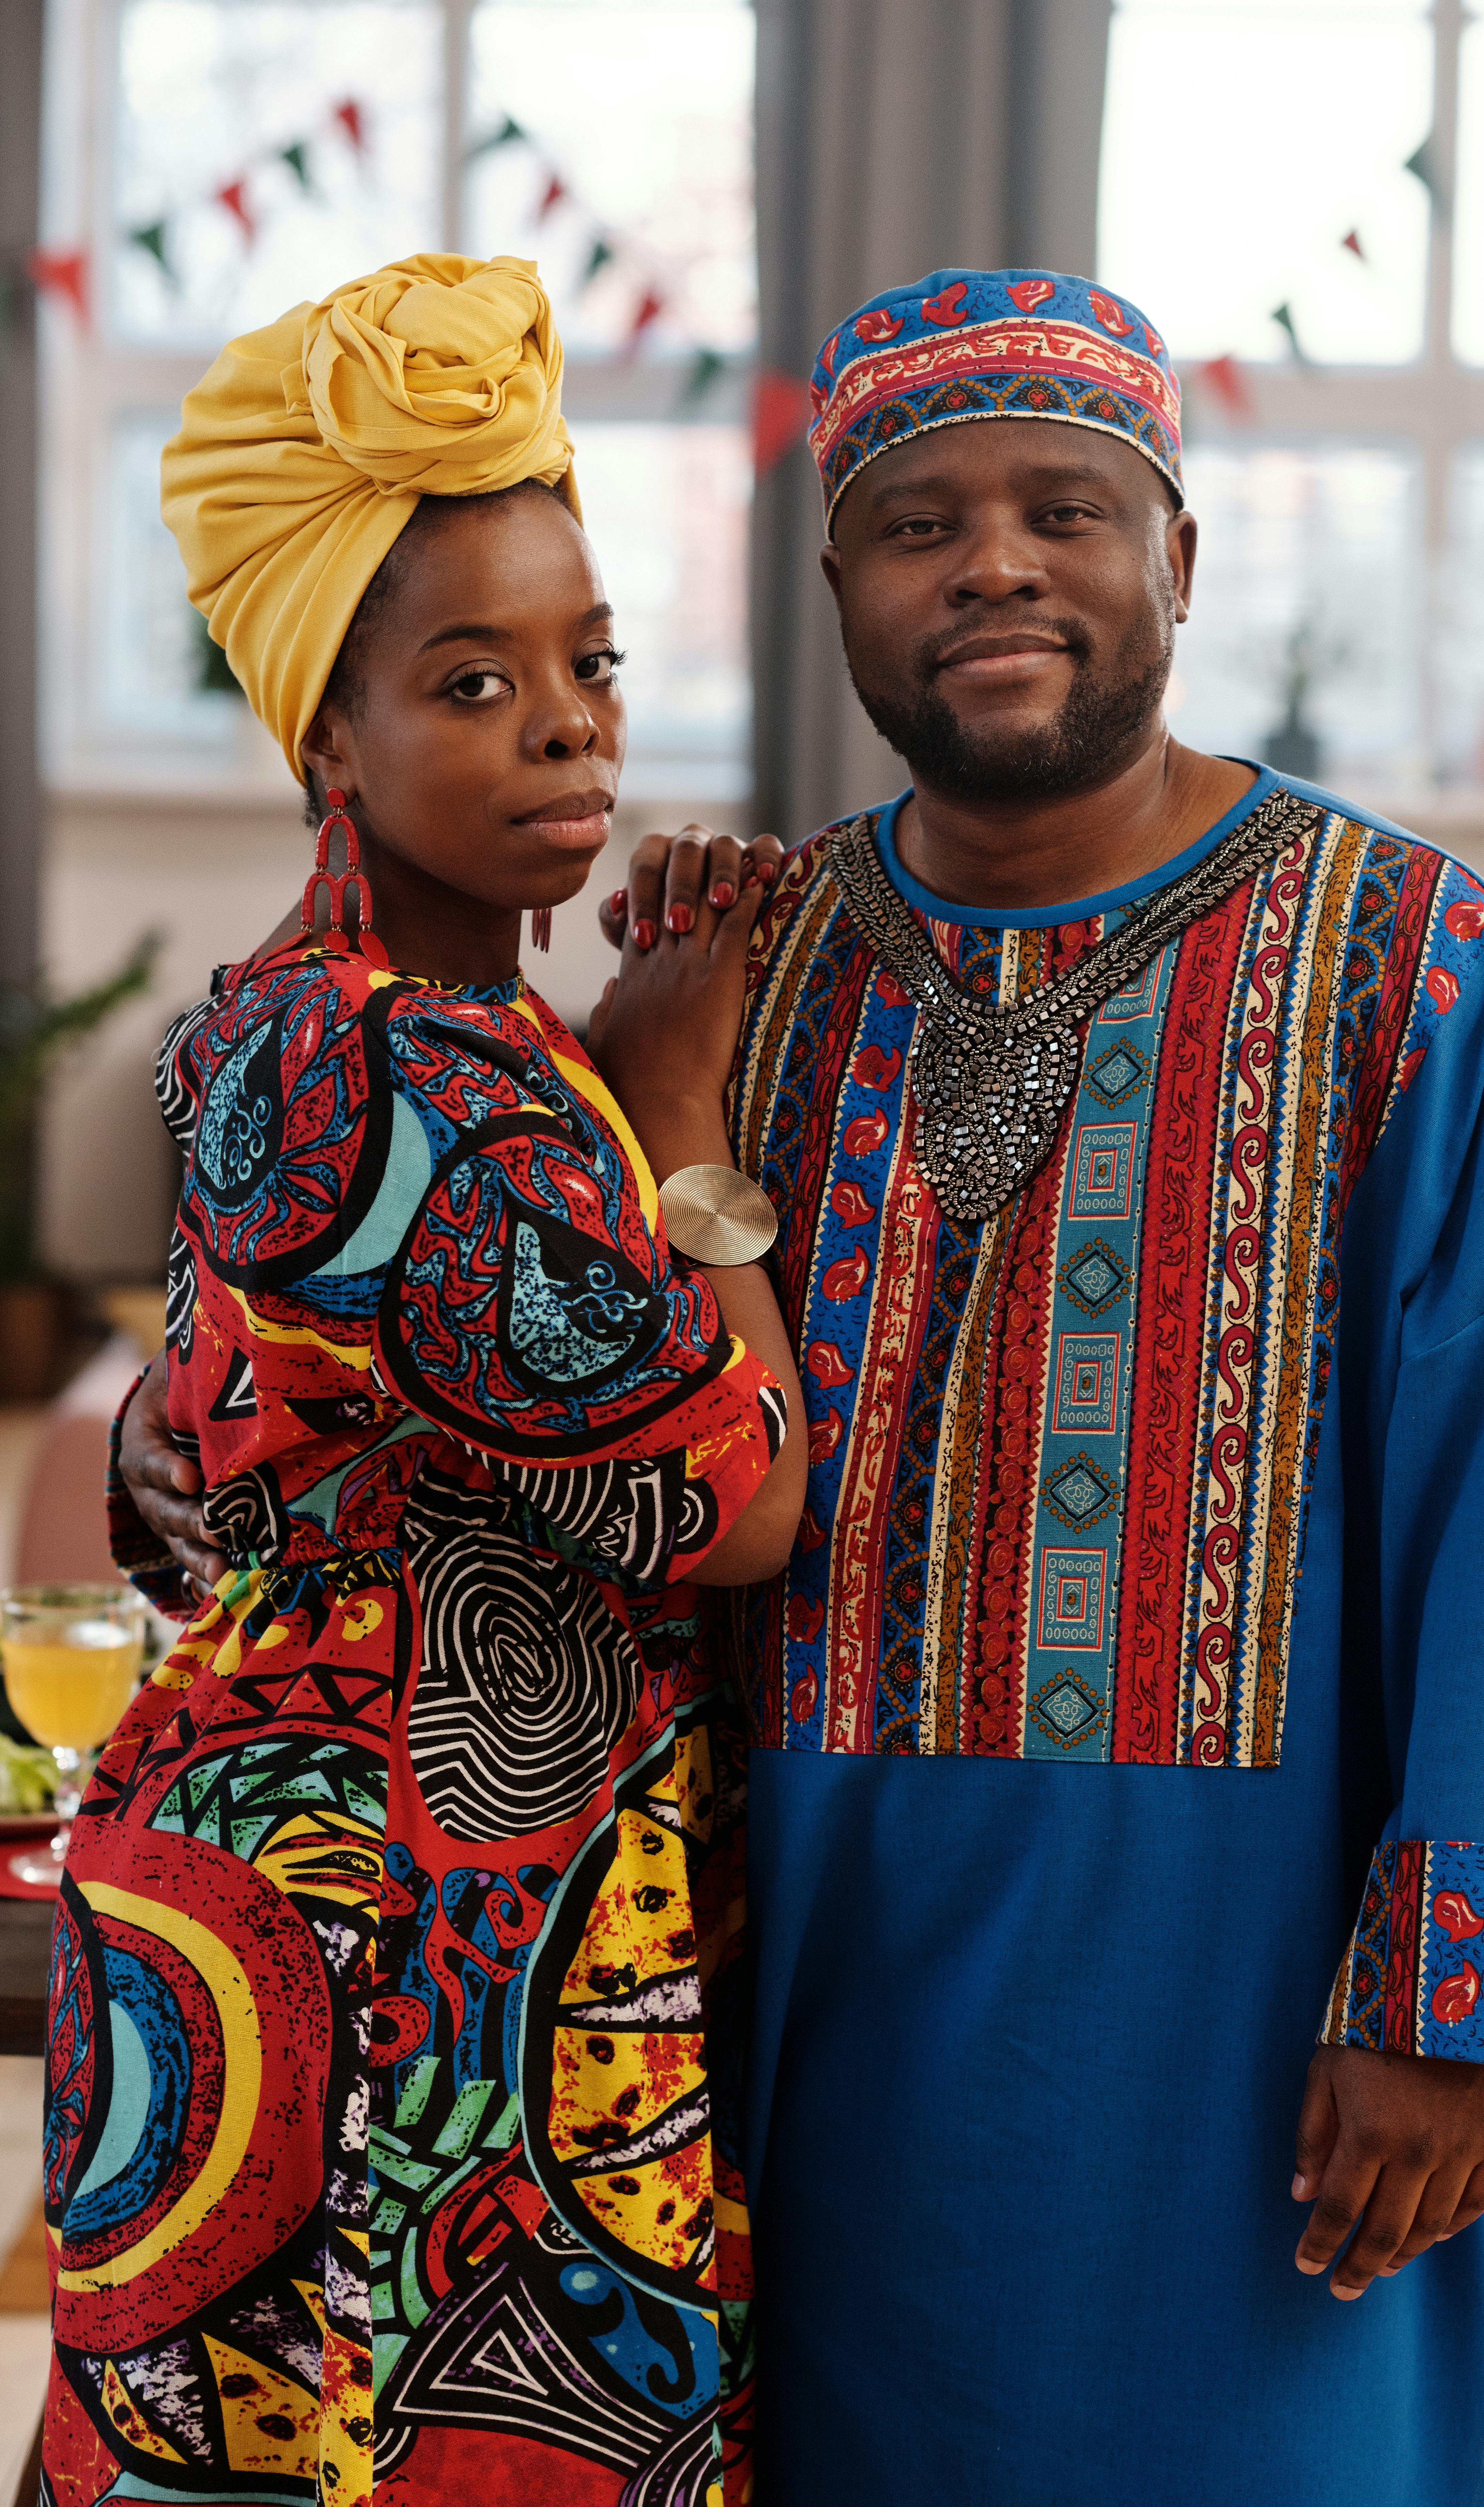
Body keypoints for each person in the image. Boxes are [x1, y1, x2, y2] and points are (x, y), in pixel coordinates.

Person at [123, 266, 1484, 2504]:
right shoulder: (741, 972)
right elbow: (462, 1335)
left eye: (1066, 511)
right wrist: (191, 1417)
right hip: (783, 2002)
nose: (996, 563)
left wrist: (1460, 2004)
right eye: (923, 523)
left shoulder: (1411, 959)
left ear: (1181, 564)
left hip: (1244, 2011)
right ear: (840, 591)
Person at [58, 253, 804, 2507]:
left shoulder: (314, 1017)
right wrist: (685, 1121)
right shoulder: (410, 1080)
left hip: (306, 1890)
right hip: (415, 1953)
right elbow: (735, 1496)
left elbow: (215, 1431)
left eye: (590, 664)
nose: (568, 725)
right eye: (472, 683)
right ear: (328, 739)